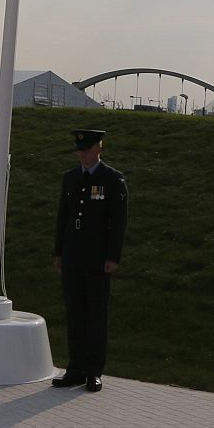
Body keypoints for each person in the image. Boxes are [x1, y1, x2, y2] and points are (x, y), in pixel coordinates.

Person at [51, 127, 128, 393]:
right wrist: (59, 253)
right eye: (79, 150)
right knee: (75, 314)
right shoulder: (71, 178)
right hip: (73, 256)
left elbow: (118, 223)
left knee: (96, 315)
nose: (81, 154)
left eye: (85, 149)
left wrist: (113, 256)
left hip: (97, 258)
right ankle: (75, 368)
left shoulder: (112, 180)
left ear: (98, 148)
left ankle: (94, 371)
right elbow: (63, 218)